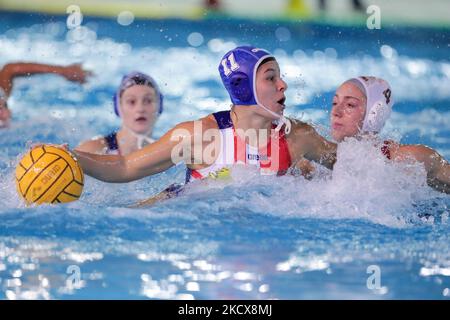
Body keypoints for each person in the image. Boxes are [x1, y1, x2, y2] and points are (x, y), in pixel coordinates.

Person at [71, 46, 337, 197]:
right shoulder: (199, 137)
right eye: (270, 78)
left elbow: (352, 165)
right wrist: (73, 157)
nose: (283, 84)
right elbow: (127, 167)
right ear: (243, 87)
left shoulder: (297, 137)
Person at [297, 76, 450, 194]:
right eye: (335, 103)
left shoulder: (409, 159)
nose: (336, 112)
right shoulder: (315, 162)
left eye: (350, 105)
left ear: (374, 113)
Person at [76, 72, 163, 155]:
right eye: (131, 101)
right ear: (118, 108)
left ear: (160, 107)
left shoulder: (165, 153)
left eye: (148, 101)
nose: (140, 109)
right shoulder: (91, 151)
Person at [0, 62, 90, 128]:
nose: (5, 114)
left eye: (4, 107)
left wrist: (63, 71)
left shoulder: (2, 93)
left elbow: (9, 70)